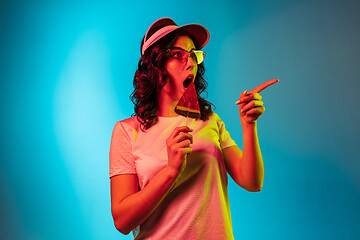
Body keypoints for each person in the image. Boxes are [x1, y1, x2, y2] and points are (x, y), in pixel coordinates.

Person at [109, 17, 273, 240]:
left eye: (194, 55)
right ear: (155, 66)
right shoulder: (127, 131)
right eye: (178, 55)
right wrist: (170, 171)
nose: (191, 63)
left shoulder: (209, 120)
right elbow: (122, 221)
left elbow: (252, 182)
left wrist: (249, 125)